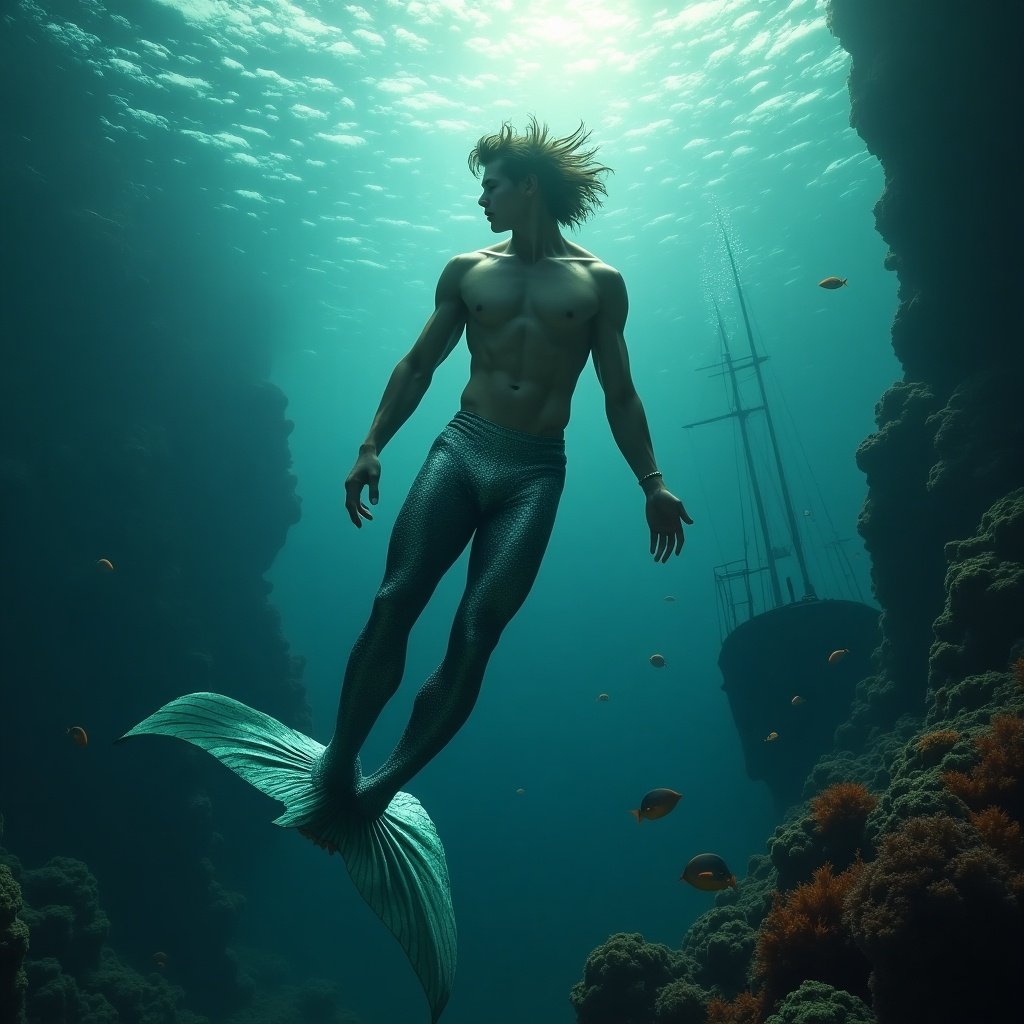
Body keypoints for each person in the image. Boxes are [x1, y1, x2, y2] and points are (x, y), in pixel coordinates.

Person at [119, 118, 692, 1024]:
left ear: (529, 186)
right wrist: (371, 443)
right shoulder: (467, 270)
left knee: (475, 636)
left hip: (538, 473)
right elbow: (421, 361)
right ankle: (333, 773)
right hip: (460, 449)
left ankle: (376, 798)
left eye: (493, 181)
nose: (481, 196)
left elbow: (619, 391)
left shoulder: (602, 283)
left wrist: (653, 483)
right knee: (395, 602)